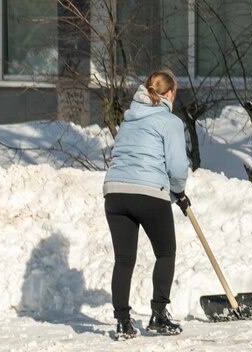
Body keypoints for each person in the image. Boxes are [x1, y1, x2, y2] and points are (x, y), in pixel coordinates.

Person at [103, 69, 191, 340]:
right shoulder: (170, 121)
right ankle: (159, 315)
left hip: (115, 193)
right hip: (148, 194)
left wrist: (173, 193)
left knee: (124, 260)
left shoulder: (129, 119)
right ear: (170, 93)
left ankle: (122, 323)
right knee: (165, 252)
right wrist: (178, 192)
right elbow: (176, 168)